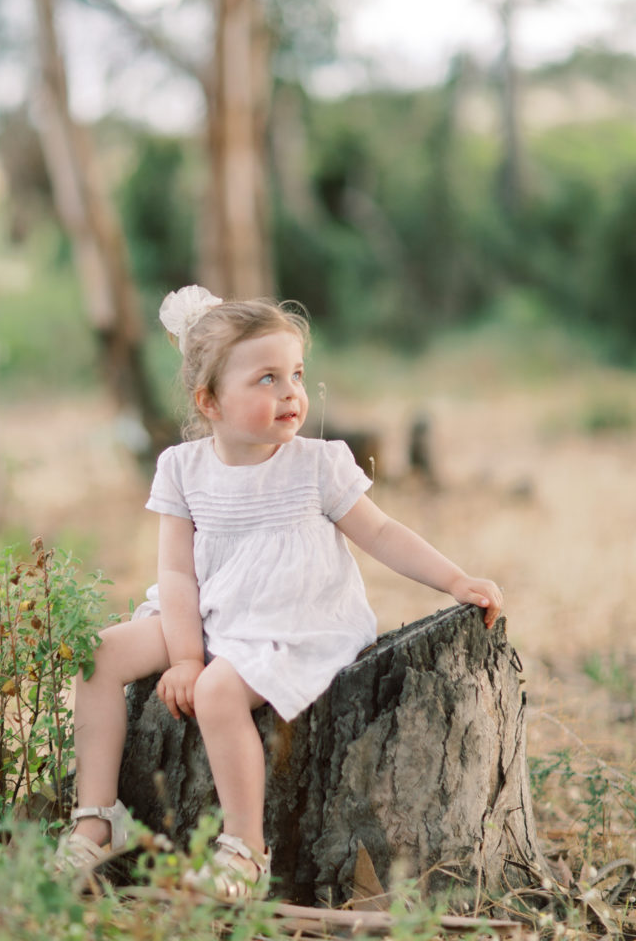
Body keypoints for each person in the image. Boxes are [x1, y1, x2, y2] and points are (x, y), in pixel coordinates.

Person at [55, 285, 503, 897]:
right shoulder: (182, 469)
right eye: (266, 379)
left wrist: (456, 579)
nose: (291, 392)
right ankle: (96, 821)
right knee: (98, 654)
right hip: (210, 609)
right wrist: (184, 654)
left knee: (216, 690)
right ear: (209, 400)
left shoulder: (317, 465)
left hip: (291, 617)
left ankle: (243, 849)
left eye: (295, 374)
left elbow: (382, 532)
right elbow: (178, 575)